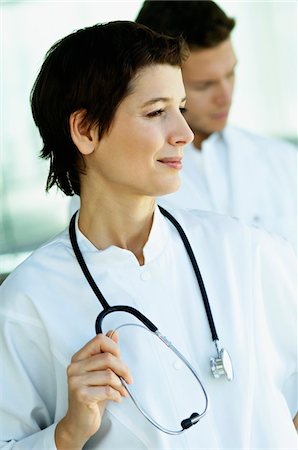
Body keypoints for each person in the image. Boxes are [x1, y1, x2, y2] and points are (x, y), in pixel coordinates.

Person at [0, 21, 297, 450]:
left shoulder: (244, 251)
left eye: (181, 108)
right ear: (85, 130)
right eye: (157, 112)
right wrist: (66, 434)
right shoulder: (26, 302)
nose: (184, 133)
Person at [136, 0, 297, 248]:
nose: (225, 95)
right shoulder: (122, 188)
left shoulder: (285, 161)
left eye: (230, 73)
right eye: (204, 85)